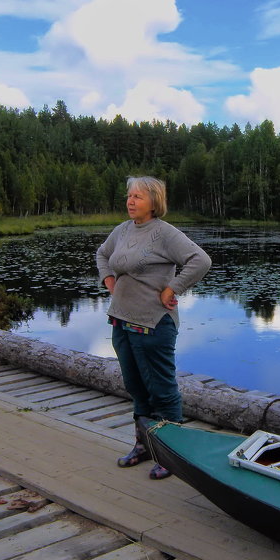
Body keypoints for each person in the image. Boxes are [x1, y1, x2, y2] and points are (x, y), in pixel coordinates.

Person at [96, 176, 212, 479]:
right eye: (129, 196)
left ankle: (173, 455)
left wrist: (173, 288)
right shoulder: (122, 230)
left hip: (152, 324)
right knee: (136, 387)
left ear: (154, 202)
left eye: (138, 197)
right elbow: (102, 254)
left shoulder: (164, 233)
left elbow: (200, 260)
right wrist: (108, 278)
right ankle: (144, 445)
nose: (130, 201)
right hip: (121, 320)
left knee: (162, 390)